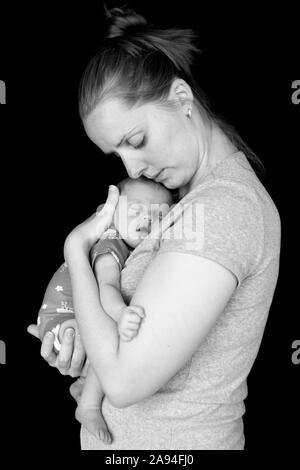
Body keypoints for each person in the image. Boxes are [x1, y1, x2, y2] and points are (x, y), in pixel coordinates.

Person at [28, 6, 281, 449]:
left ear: (182, 98)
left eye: (137, 141)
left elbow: (125, 383)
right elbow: (124, 354)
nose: (134, 168)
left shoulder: (221, 209)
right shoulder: (182, 205)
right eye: (118, 156)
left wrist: (74, 249)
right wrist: (79, 342)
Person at [37, 176, 173, 443]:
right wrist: (122, 313)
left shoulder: (124, 244)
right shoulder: (110, 245)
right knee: (112, 333)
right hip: (63, 322)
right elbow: (106, 287)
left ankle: (82, 387)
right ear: (109, 213)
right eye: (135, 210)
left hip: (64, 318)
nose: (146, 219)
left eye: (158, 215)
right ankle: (87, 406)